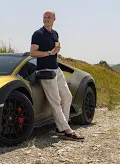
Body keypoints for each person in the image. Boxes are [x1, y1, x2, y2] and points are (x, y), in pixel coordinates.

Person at [30, 10, 85, 141]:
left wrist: (55, 53)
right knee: (55, 101)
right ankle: (67, 130)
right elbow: (33, 52)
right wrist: (49, 53)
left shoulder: (55, 34)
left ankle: (61, 128)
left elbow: (55, 51)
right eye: (44, 17)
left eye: (49, 17)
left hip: (56, 69)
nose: (46, 19)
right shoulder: (38, 34)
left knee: (67, 96)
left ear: (54, 19)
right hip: (45, 71)